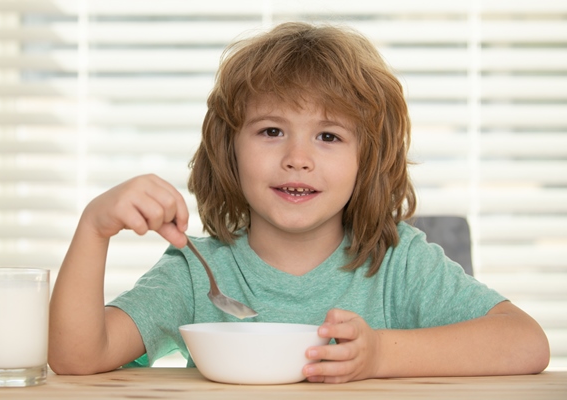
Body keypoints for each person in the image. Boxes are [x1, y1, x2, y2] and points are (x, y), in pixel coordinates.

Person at [48, 22, 550, 383]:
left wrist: (380, 355)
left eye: (329, 136)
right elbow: (76, 357)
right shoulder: (197, 273)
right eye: (271, 131)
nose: (297, 158)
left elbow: (526, 343)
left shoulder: (397, 263)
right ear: (229, 150)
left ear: (366, 160)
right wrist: (95, 229)